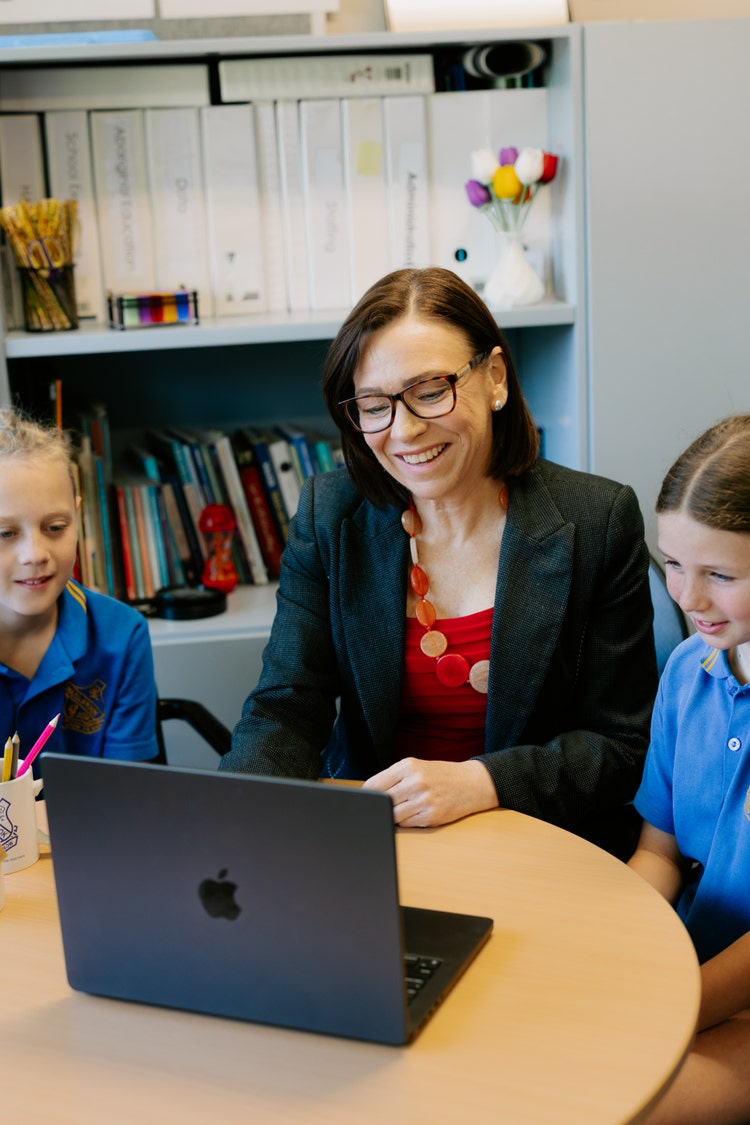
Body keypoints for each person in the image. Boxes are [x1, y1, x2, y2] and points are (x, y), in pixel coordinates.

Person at [221, 267, 657, 853]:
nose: (404, 431)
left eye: (430, 391)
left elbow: (621, 744)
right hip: (378, 843)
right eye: (374, 406)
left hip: (542, 846)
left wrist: (483, 781)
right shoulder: (331, 514)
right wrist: (232, 825)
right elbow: (285, 707)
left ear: (496, 378)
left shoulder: (597, 521)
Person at [628, 414, 750, 1125]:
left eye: (720, 575)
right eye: (672, 563)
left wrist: (674, 1007)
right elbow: (659, 850)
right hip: (690, 976)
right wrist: (621, 956)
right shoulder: (687, 669)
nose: (686, 596)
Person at [0, 408, 158, 774]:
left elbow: (124, 791)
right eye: (5, 533)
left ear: (78, 517)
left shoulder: (122, 635)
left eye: (55, 527)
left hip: (84, 830)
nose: (36, 555)